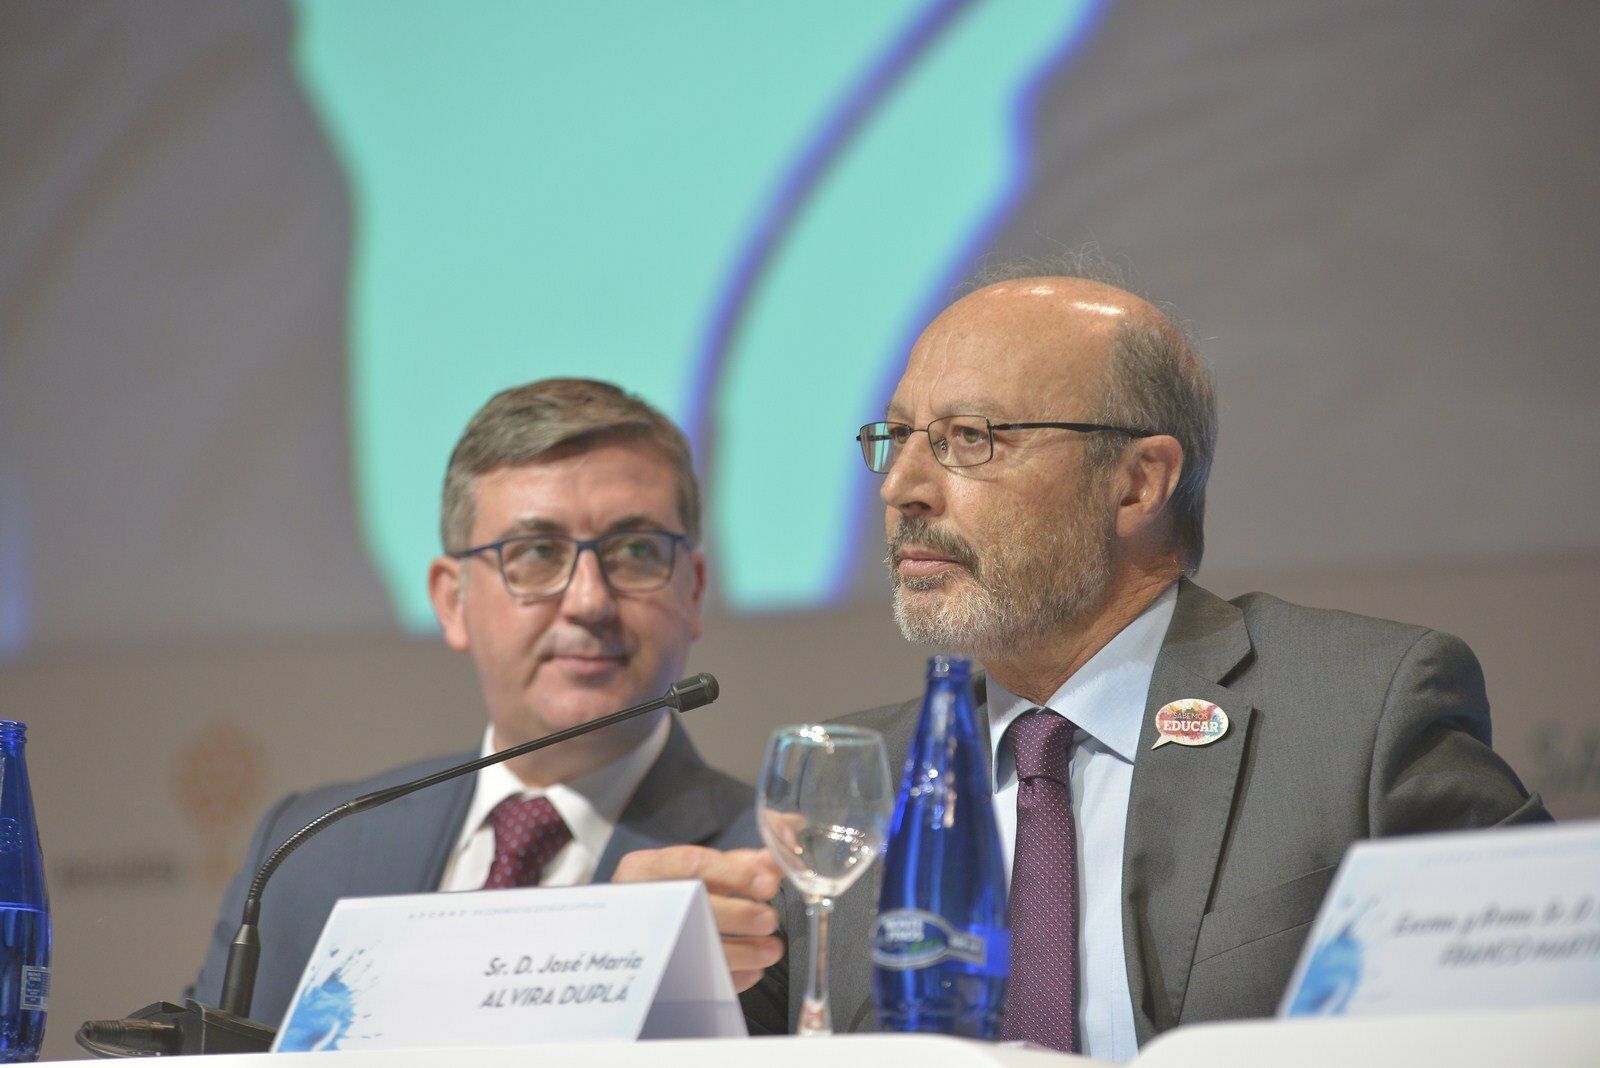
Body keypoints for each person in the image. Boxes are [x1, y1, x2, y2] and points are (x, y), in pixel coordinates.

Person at [615, 267, 1550, 1057]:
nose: (902, 487)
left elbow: (1545, 1006)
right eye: (897, 439)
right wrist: (658, 970)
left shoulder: (1359, 713)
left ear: (1138, 481)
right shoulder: (851, 787)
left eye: (968, 439)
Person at [193, 378, 759, 1026]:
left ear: (694, 591)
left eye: (635, 552)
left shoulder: (772, 876)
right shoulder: (312, 852)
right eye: (537, 554)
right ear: (451, 600)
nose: (588, 601)